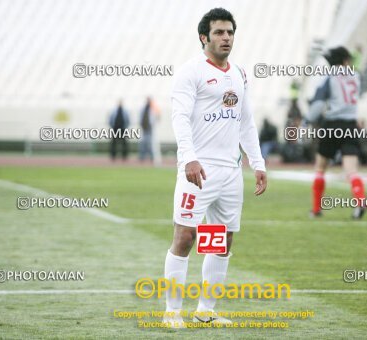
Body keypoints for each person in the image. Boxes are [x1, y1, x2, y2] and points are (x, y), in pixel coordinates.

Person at [163, 8, 267, 327]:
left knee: (220, 239)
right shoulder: (190, 72)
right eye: (219, 32)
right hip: (198, 171)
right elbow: (179, 118)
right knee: (185, 236)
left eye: (230, 32)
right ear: (204, 37)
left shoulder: (239, 73)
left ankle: (205, 310)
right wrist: (189, 158)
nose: (226, 38)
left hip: (230, 173)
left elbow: (246, 122)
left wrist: (258, 163)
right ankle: (171, 312)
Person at [306, 46, 367, 219]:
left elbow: (317, 105)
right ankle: (360, 200)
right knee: (351, 170)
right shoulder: (356, 77)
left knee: (320, 168)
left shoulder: (329, 78)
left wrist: (306, 121)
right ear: (346, 60)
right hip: (350, 125)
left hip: (331, 125)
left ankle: (316, 209)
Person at [139, 97, 155, 161]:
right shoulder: (143, 109)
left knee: (150, 143)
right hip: (144, 128)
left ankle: (152, 157)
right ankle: (142, 156)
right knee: (143, 143)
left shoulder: (152, 109)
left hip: (150, 129)